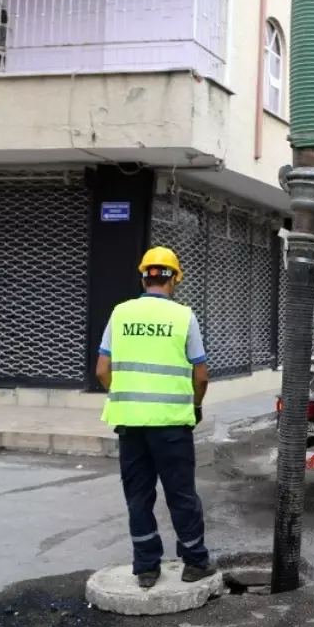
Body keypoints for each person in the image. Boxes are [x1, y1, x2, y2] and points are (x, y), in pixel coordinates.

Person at [95, 246, 215, 588]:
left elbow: (103, 369)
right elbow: (201, 376)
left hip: (131, 424)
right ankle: (195, 562)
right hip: (173, 424)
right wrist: (195, 406)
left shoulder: (120, 314)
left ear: (143, 276)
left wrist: (127, 396)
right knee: (181, 495)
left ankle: (147, 568)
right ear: (174, 279)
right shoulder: (183, 317)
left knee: (138, 496)